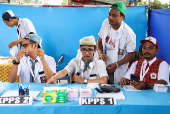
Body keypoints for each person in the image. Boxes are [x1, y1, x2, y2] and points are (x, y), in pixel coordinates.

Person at [97, 2, 136, 84]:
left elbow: (131, 54)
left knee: (115, 92)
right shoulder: (105, 23)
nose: (110, 17)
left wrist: (117, 64)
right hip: (103, 67)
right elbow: (99, 42)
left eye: (114, 15)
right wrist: (100, 53)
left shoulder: (129, 33)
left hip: (117, 70)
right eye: (109, 14)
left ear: (122, 17)